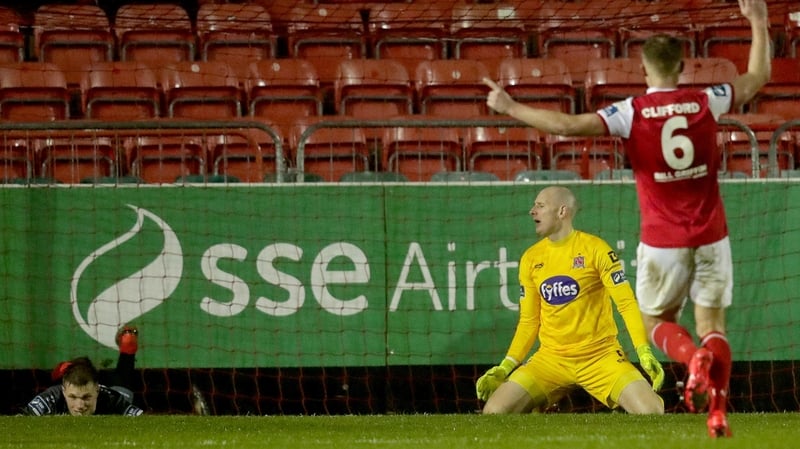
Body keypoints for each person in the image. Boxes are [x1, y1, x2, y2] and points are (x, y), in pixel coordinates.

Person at [481, 0, 770, 438]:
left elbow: (568, 125)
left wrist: (510, 107)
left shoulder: (631, 112)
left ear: (644, 68)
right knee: (714, 327)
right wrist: (759, 23)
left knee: (657, 323)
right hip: (712, 235)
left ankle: (691, 359)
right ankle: (716, 410)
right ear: (682, 66)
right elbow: (756, 80)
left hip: (661, 241)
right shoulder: (706, 99)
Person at [476, 186, 665, 416]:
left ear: (562, 211)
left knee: (651, 412)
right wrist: (506, 366)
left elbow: (626, 304)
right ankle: (543, 404)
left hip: (600, 356)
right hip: (550, 360)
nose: (532, 211)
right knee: (494, 413)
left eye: (540, 205)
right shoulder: (531, 258)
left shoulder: (596, 249)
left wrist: (643, 351)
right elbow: (528, 321)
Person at [23, 325, 144, 416]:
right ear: (64, 391)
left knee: (122, 386)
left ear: (97, 391)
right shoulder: (52, 397)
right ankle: (128, 347)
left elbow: (142, 421)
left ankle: (128, 350)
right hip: (79, 379)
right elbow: (21, 420)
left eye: (86, 398)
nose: (80, 406)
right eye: (73, 397)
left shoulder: (113, 399)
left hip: (108, 388)